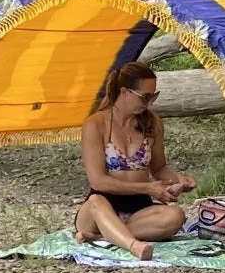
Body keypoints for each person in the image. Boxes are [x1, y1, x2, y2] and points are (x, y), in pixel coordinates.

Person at [75, 62, 196, 260]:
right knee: (96, 201)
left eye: (153, 96)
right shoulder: (95, 124)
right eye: (145, 97)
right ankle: (133, 245)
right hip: (101, 206)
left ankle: (103, 236)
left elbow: (159, 168)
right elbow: (98, 181)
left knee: (176, 216)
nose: (149, 103)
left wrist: (179, 180)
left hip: (138, 208)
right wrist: (148, 188)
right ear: (125, 92)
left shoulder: (152, 123)